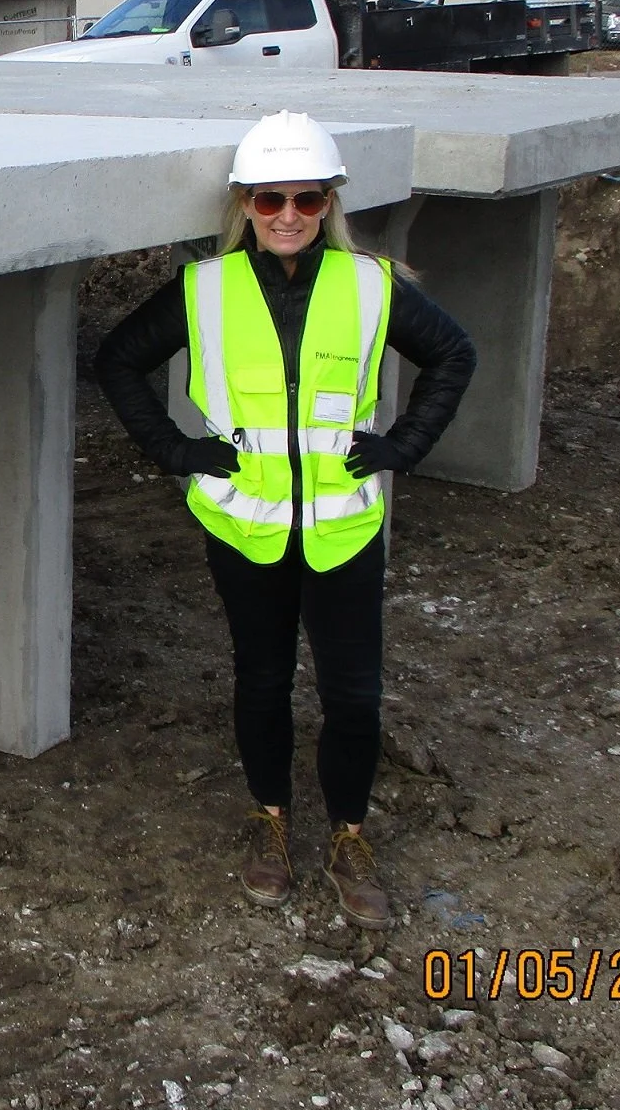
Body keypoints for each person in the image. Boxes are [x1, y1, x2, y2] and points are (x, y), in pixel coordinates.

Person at [94, 111, 476, 929]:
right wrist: (175, 450)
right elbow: (116, 359)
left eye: (306, 197)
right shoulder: (204, 288)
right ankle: (269, 820)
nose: (288, 215)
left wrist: (403, 446)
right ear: (244, 203)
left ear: (329, 200)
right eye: (270, 200)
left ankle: (348, 836)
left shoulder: (370, 285)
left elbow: (454, 354)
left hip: (343, 526)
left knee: (353, 695)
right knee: (261, 680)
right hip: (243, 527)